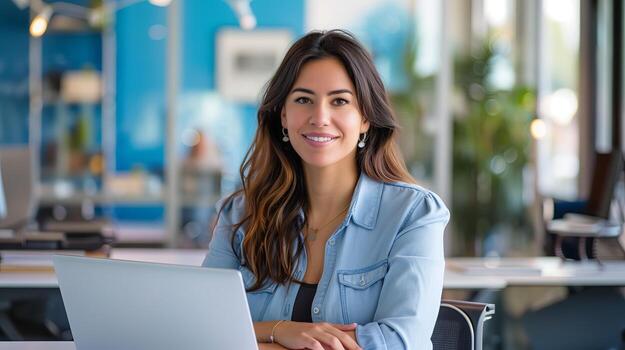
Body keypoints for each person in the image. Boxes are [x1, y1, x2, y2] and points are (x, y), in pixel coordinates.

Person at [203, 29, 449, 350]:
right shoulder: (240, 213)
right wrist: (281, 330)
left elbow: (404, 341)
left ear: (365, 120)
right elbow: (204, 328)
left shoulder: (414, 213)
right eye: (304, 99)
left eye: (340, 101)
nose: (320, 117)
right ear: (284, 115)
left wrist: (258, 338)